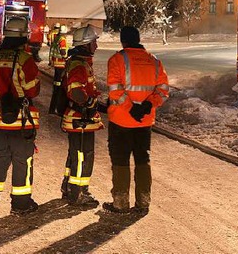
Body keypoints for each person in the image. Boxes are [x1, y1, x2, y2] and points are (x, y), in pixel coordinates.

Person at [103, 26, 169, 215]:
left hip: (121, 121)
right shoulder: (154, 61)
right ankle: (143, 201)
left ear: (123, 41)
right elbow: (163, 90)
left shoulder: (117, 59)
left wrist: (131, 108)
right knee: (142, 159)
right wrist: (148, 105)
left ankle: (121, 202)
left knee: (120, 160)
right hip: (145, 122)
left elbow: (115, 90)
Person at [0, 17, 41, 215]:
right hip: (22, 120)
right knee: (23, 160)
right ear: (24, 36)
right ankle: (21, 204)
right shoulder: (25, 59)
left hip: (0, 118)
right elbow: (33, 90)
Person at [60, 24, 104, 207]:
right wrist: (88, 105)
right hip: (81, 118)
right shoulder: (79, 64)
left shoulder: (78, 61)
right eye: (94, 42)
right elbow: (77, 91)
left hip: (78, 117)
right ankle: (78, 193)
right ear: (86, 44)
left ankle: (68, 187)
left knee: (75, 154)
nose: (97, 45)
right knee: (83, 155)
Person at [48, 24, 68, 116]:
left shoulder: (56, 37)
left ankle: (52, 108)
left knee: (56, 85)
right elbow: (63, 51)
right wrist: (66, 58)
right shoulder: (62, 39)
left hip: (55, 63)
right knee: (60, 86)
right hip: (61, 64)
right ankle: (58, 108)